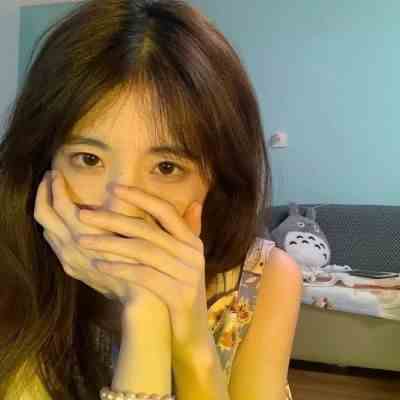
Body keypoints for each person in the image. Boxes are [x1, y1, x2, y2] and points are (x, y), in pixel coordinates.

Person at [0, 0, 303, 399]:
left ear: (216, 176)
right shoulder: (14, 265)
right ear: (44, 159)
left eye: (166, 167)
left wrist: (190, 343)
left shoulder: (263, 280)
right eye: (88, 159)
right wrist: (146, 314)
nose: (121, 208)